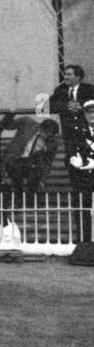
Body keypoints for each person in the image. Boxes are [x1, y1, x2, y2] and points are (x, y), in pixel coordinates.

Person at [68, 99, 94, 242]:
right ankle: (84, 244)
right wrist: (73, 160)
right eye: (88, 112)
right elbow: (70, 153)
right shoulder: (77, 132)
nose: (92, 115)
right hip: (84, 180)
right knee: (83, 212)